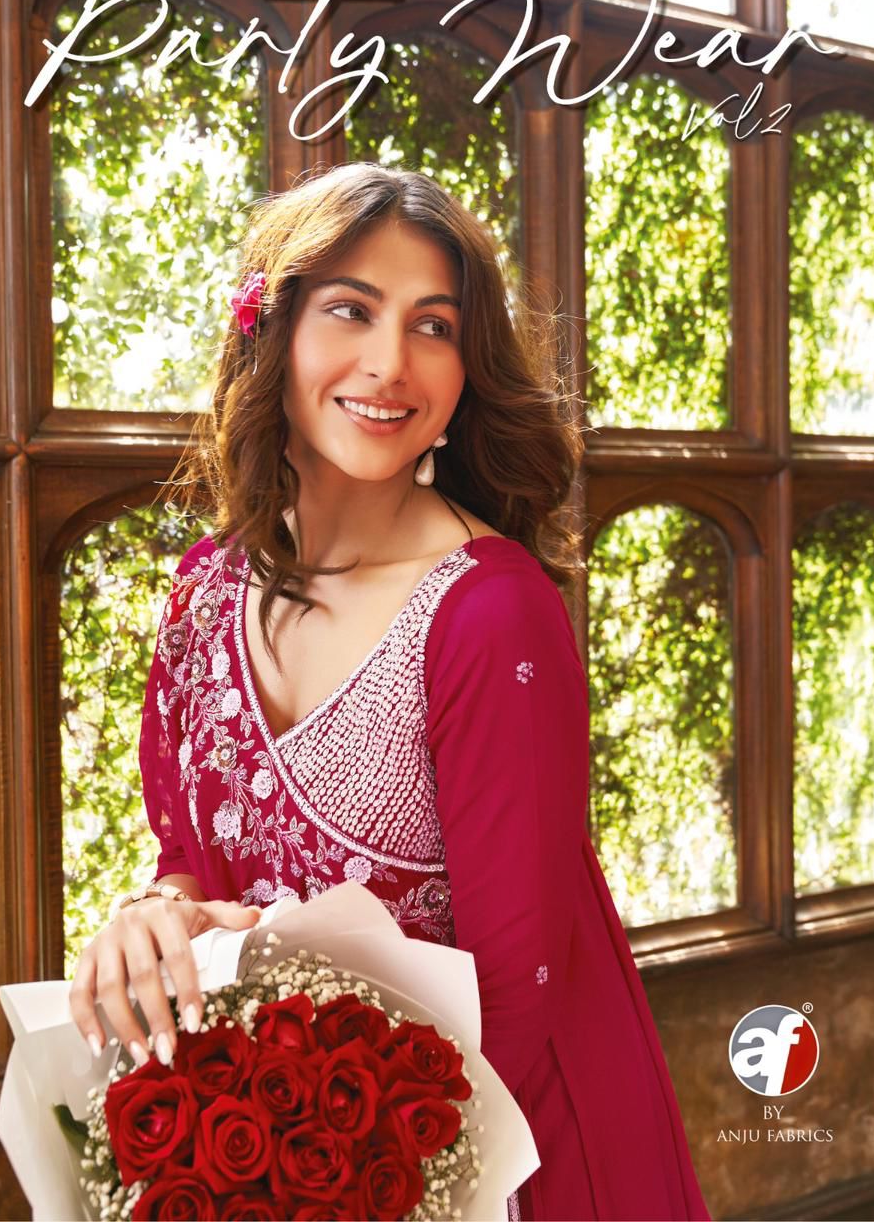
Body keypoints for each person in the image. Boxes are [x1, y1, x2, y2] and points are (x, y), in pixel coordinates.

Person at [69, 162, 711, 1221]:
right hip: (273, 1147)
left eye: (434, 326)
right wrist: (151, 920)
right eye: (352, 310)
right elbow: (189, 859)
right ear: (271, 332)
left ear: (465, 372)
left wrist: (339, 1169)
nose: (390, 362)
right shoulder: (203, 592)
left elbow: (512, 997)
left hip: (487, 1148)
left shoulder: (490, 614)